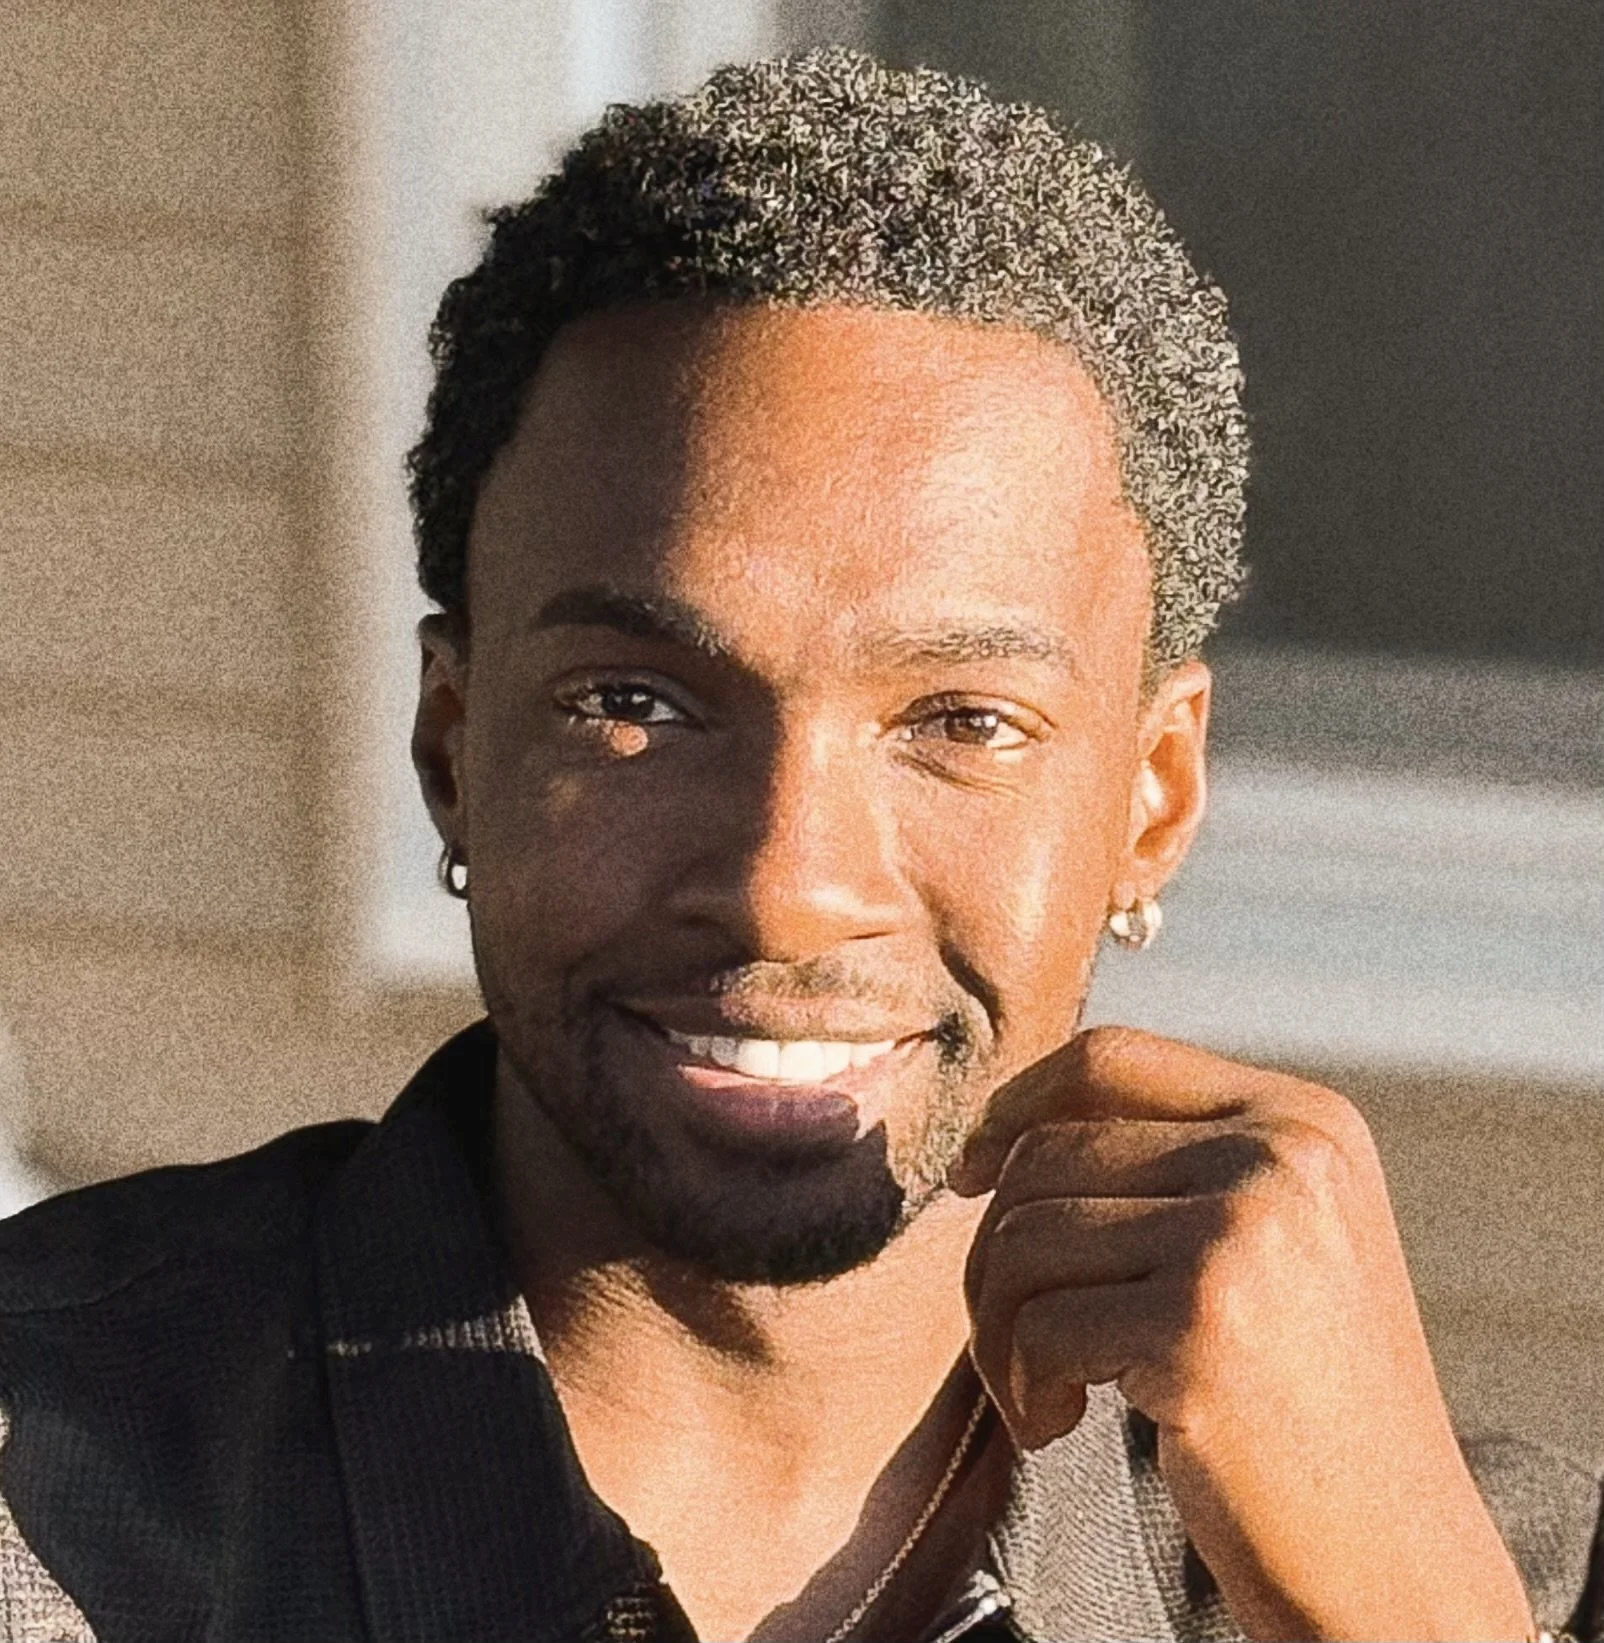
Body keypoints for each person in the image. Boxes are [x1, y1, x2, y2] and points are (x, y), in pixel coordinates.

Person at [0, 49, 1598, 1643]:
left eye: (960, 720)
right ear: (451, 748)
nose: (785, 881)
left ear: (1154, 796)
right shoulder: (44, 1499)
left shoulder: (1501, 1583)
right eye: (636, 701)